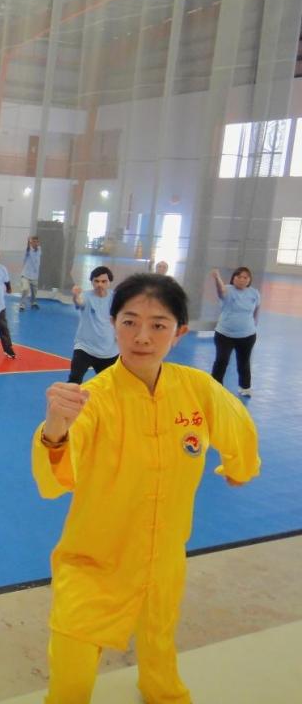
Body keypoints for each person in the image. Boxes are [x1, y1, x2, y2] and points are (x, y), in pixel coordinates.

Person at [32, 273, 260, 704]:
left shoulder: (197, 390)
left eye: (158, 325)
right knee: (72, 671)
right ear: (113, 324)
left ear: (179, 333)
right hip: (95, 558)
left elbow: (237, 424)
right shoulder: (93, 399)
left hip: (165, 552)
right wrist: (55, 430)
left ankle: (163, 692)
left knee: (159, 637)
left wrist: (240, 465)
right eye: (130, 322)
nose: (142, 336)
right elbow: (56, 475)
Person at [210, 267, 260, 397]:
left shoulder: (254, 293)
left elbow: (256, 310)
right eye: (239, 277)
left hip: (247, 336)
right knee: (222, 360)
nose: (242, 280)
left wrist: (253, 325)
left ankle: (245, 387)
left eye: (245, 277)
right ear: (233, 278)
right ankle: (215, 386)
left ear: (249, 280)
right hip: (224, 335)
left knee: (244, 362)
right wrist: (217, 278)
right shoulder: (228, 290)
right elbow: (221, 291)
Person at [67, 266, 118, 384]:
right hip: (85, 348)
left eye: (104, 281)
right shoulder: (86, 296)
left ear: (109, 282)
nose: (100, 284)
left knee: (110, 385)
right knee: (74, 379)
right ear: (92, 282)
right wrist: (75, 296)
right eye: (96, 281)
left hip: (109, 351)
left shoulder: (116, 298)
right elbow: (79, 302)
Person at [19, 235, 41, 311]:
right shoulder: (28, 250)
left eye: (37, 242)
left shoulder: (39, 249)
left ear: (38, 243)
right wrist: (28, 243)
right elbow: (28, 249)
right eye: (33, 242)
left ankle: (33, 303)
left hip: (35, 276)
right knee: (25, 289)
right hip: (26, 275)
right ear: (31, 243)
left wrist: (33, 243)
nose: (35, 243)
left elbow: (37, 248)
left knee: (34, 292)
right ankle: (22, 305)